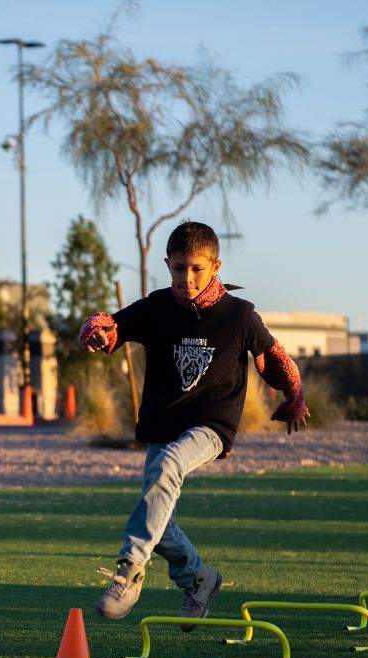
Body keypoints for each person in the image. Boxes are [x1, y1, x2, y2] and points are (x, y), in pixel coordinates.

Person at [79, 220, 309, 625]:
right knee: (158, 516)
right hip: (164, 423)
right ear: (168, 264)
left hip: (211, 425)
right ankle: (199, 578)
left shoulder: (238, 316)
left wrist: (294, 396)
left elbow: (276, 358)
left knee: (167, 470)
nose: (186, 278)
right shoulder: (156, 307)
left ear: (216, 267)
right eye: (178, 268)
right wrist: (97, 333)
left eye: (196, 269)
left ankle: (130, 570)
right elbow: (112, 327)